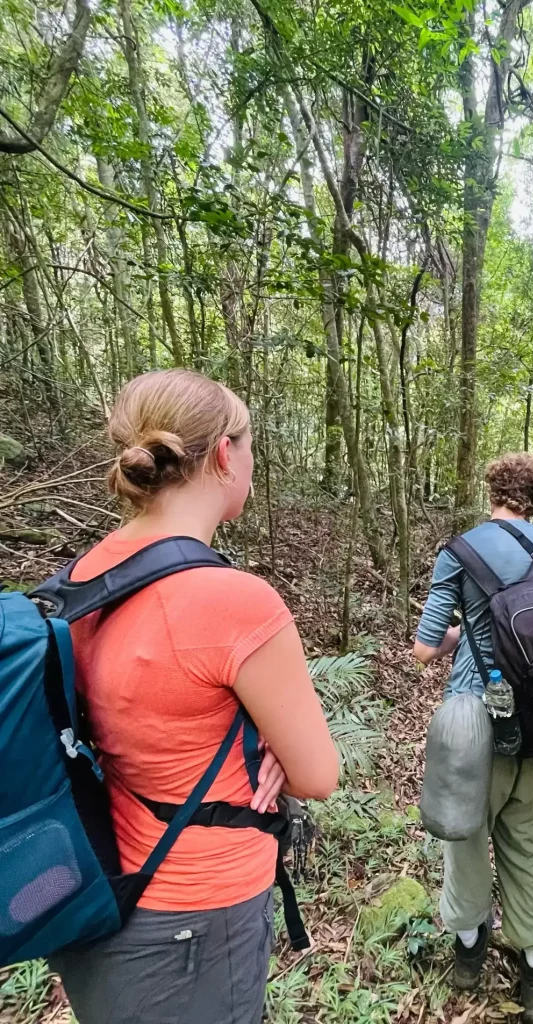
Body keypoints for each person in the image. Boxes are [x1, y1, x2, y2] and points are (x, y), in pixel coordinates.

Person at [49, 369, 339, 1024]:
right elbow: (319, 774)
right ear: (223, 455)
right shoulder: (232, 603)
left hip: (97, 889)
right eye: (250, 444)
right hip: (196, 913)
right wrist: (270, 748)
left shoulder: (82, 575)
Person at [413, 453, 533, 1024]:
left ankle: (470, 957)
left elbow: (426, 647)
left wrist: (459, 635)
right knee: (527, 835)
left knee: (466, 836)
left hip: (471, 721)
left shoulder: (459, 552)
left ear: (494, 492)